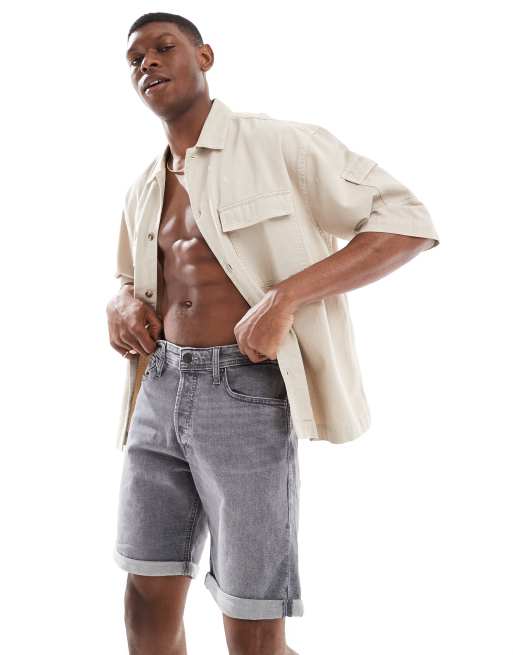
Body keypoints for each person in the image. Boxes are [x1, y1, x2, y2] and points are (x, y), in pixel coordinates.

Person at [106, 11, 440, 655]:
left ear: (205, 57)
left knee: (253, 618)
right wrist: (120, 300)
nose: (147, 63)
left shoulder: (279, 145)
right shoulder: (144, 185)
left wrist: (286, 297)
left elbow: (407, 221)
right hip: (157, 386)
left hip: (245, 391)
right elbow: (133, 274)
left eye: (164, 48)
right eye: (135, 59)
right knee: (145, 593)